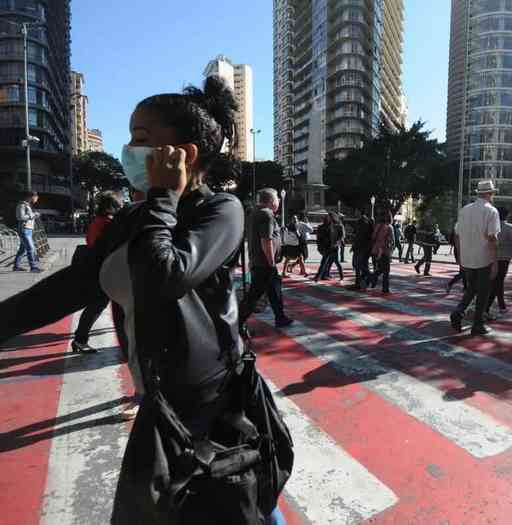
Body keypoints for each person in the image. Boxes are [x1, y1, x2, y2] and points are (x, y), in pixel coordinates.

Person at [1, 77, 287, 524]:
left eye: (142, 138)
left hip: (213, 403)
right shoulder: (136, 216)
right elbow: (74, 286)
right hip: (160, 398)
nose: (129, 150)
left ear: (183, 154)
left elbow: (165, 275)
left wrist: (162, 197)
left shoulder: (221, 210)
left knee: (245, 502)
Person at [71, 191, 123, 354]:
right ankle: (80, 340)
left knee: (98, 304)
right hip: (102, 270)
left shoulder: (98, 221)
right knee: (96, 305)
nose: (121, 207)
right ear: (111, 206)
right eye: (119, 204)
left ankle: (80, 338)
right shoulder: (107, 223)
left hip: (98, 268)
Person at [239, 187, 294, 333]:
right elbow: (266, 240)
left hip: (259, 261)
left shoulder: (255, 213)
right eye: (277, 198)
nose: (279, 201)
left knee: (274, 290)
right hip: (265, 263)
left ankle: (280, 317)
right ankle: (236, 323)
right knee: (254, 296)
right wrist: (271, 262)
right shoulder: (266, 214)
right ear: (271, 201)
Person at [450, 181, 501, 336]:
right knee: (483, 292)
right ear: (489, 194)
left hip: (468, 258)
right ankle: (478, 324)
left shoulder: (464, 210)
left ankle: (459, 311)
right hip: (484, 258)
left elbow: (457, 235)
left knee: (472, 288)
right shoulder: (491, 211)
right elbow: (492, 238)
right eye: (492, 193)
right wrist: (495, 262)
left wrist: (460, 256)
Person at [485, 207, 512, 320]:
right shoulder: (509, 227)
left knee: (495, 283)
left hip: (489, 258)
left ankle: (501, 306)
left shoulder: (490, 226)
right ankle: (487, 308)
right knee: (498, 283)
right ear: (507, 216)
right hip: (503, 259)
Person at [13, 191, 42, 273]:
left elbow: (27, 217)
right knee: (30, 248)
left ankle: (16, 266)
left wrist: (34, 215)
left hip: (28, 229)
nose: (36, 199)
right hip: (24, 229)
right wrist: (33, 215)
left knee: (23, 249)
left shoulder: (28, 205)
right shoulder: (22, 205)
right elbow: (20, 217)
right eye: (36, 197)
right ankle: (33, 267)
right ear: (31, 197)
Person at [368, 212, 395, 294]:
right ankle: (385, 288)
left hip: (376, 250)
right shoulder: (389, 227)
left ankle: (370, 278)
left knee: (380, 269)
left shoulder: (378, 226)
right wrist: (391, 249)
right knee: (386, 271)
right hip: (384, 251)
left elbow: (373, 237)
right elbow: (391, 241)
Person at [351, 211, 374, 290]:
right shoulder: (365, 221)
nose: (355, 213)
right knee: (363, 265)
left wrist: (354, 245)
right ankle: (362, 283)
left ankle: (368, 279)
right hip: (365, 247)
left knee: (358, 265)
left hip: (362, 247)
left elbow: (359, 236)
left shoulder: (362, 222)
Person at [446, 221, 466, 294]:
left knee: (464, 271)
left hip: (462, 251)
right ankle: (450, 284)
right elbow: (457, 240)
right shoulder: (460, 225)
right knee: (463, 272)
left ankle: (465, 288)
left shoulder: (459, 224)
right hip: (460, 251)